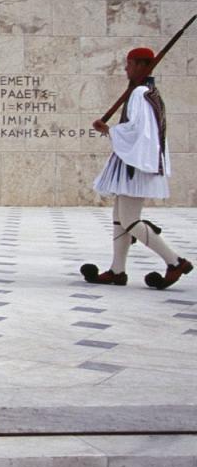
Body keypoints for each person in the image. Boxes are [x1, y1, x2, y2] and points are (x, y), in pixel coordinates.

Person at [82, 46, 191, 288]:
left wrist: (108, 130)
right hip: (131, 163)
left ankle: (175, 262)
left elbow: (139, 132)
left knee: (130, 219)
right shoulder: (146, 92)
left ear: (142, 66)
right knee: (119, 218)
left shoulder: (141, 94)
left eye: (129, 64)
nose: (125, 68)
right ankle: (117, 271)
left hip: (135, 165)